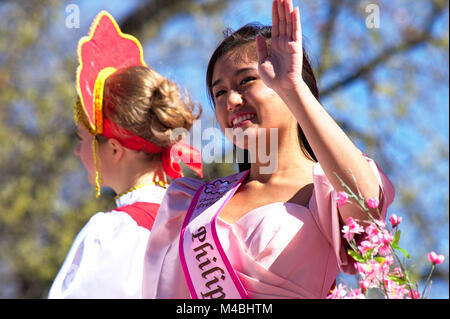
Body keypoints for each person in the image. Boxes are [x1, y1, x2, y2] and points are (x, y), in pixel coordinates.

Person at [142, 0, 394, 299]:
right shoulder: (190, 203)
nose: (231, 101)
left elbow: (367, 203)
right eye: (219, 92)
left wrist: (292, 87)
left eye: (246, 81)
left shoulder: (325, 191)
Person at [48, 11, 202, 298]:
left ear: (115, 149)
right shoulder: (202, 218)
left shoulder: (113, 233)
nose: (78, 150)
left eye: (84, 139)